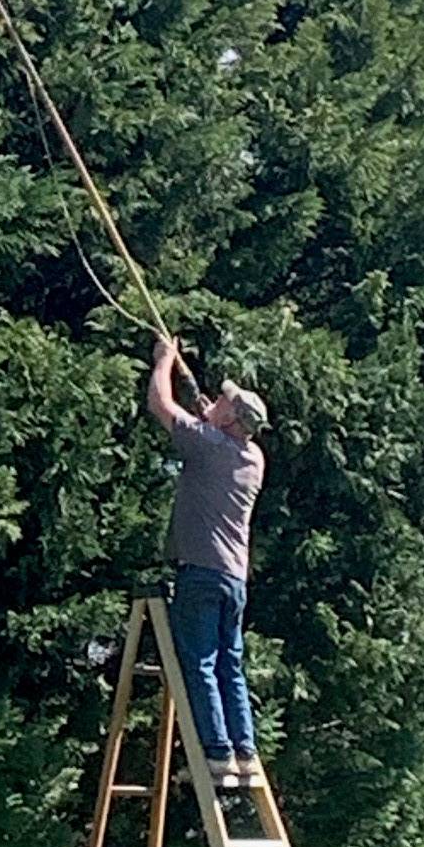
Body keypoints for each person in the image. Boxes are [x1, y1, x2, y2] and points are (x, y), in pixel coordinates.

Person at [146, 333, 269, 791]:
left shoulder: (210, 446)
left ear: (233, 419)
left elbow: (160, 404)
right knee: (229, 665)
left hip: (200, 572)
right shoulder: (252, 456)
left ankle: (217, 752)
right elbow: (216, 433)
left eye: (224, 401)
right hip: (234, 578)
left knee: (199, 662)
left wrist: (164, 361)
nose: (216, 400)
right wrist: (211, 414)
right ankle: (244, 750)